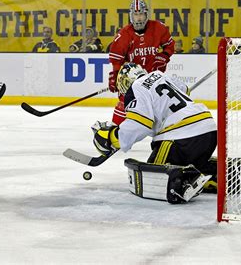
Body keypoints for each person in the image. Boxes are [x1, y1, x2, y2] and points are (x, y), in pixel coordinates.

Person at [92, 63, 217, 203]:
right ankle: (216, 173)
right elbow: (185, 90)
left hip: (182, 136)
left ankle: (186, 179)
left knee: (155, 176)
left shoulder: (135, 88)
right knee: (189, 163)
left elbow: (139, 124)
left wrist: (113, 137)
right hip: (208, 129)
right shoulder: (160, 74)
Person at [108, 0, 174, 125]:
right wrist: (114, 76)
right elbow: (117, 61)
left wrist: (163, 57)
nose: (139, 18)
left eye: (141, 14)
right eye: (136, 14)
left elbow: (170, 45)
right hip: (132, 80)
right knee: (124, 102)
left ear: (146, 14)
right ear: (131, 15)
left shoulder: (158, 28)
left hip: (153, 77)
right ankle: (114, 132)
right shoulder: (124, 35)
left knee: (160, 106)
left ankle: (164, 135)